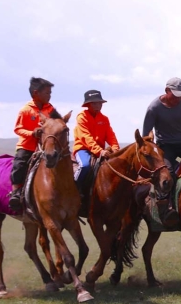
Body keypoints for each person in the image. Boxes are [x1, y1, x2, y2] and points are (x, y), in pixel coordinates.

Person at [8, 77, 61, 212]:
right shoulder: (25, 110)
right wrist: (32, 133)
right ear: (36, 93)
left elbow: (57, 124)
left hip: (46, 146)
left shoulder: (51, 110)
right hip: (27, 146)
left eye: (50, 93)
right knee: (19, 164)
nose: (49, 96)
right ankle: (16, 193)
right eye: (47, 93)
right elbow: (18, 129)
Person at [142, 77, 181, 173]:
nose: (178, 99)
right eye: (175, 96)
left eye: (180, 96)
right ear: (167, 90)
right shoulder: (154, 108)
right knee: (168, 175)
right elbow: (146, 136)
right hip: (167, 149)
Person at [72, 89, 119, 198]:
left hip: (100, 150)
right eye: (94, 103)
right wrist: (99, 151)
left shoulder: (104, 119)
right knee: (85, 165)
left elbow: (110, 135)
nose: (98, 105)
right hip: (83, 149)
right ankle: (75, 190)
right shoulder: (82, 117)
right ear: (88, 104)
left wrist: (115, 149)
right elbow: (86, 137)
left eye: (99, 103)